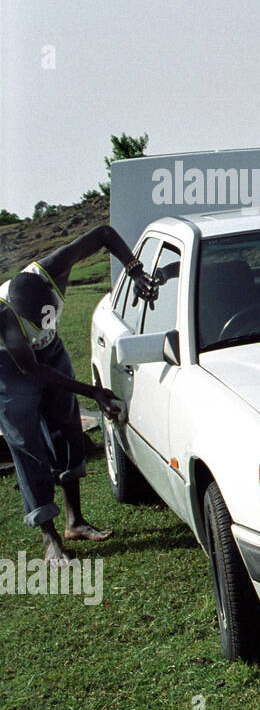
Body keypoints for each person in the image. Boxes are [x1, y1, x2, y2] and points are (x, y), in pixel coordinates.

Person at [0, 225, 156, 562]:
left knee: (67, 424)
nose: (40, 331)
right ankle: (50, 537)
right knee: (26, 440)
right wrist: (93, 391)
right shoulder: (4, 317)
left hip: (50, 351)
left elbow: (104, 233)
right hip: (11, 365)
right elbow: (33, 371)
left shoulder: (52, 269)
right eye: (35, 328)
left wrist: (134, 268)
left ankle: (75, 521)